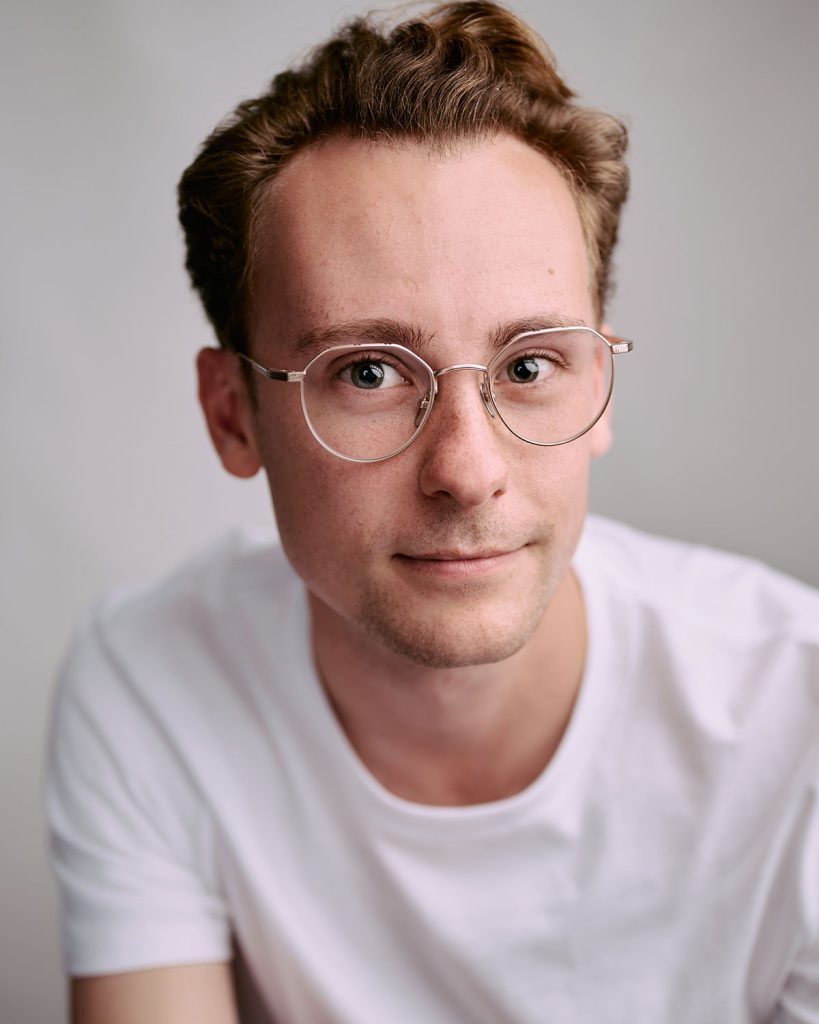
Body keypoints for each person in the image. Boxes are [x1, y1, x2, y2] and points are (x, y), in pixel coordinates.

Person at [47, 2, 819, 1022]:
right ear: (234, 416)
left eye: (531, 364)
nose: (466, 468)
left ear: (602, 391)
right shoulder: (151, 681)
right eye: (367, 371)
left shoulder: (796, 719)